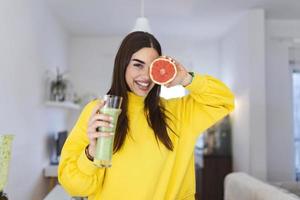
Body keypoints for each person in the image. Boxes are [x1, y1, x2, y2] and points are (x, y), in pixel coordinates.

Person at [58, 31, 235, 200]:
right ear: (122, 65)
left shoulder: (178, 112)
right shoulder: (98, 111)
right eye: (137, 64)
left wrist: (185, 79)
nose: (146, 76)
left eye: (152, 68)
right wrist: (91, 153)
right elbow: (74, 186)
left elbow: (224, 100)